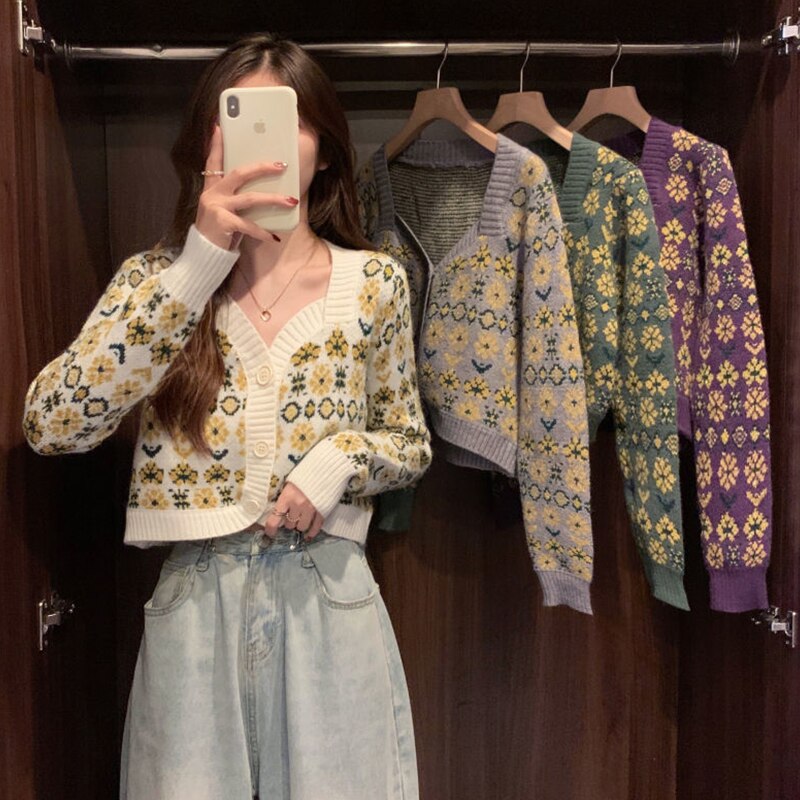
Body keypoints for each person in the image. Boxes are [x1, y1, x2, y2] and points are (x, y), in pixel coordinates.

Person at [22, 32, 432, 800]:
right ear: (207, 143)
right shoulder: (155, 280)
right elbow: (53, 423)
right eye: (240, 118)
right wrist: (199, 264)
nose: (268, 147)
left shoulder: (374, 281)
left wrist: (338, 461)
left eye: (291, 122)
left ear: (324, 150)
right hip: (195, 604)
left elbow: (408, 441)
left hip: (328, 595)